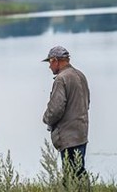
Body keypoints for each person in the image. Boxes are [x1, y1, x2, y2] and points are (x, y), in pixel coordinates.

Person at [42, 45, 90, 178]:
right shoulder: (80, 75)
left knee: (71, 177)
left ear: (55, 60)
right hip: (82, 133)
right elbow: (87, 103)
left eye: (50, 63)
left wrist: (46, 119)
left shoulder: (61, 79)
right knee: (79, 172)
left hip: (69, 137)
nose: (49, 67)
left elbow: (56, 109)